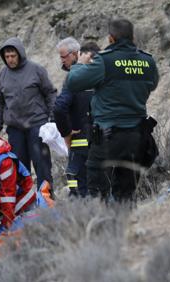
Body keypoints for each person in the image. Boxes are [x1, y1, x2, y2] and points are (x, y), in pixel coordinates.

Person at [67, 18, 159, 202]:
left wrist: (79, 64)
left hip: (108, 136)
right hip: (137, 137)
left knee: (97, 193)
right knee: (126, 194)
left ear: (111, 39)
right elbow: (152, 84)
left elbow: (73, 82)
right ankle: (126, 228)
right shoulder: (148, 61)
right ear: (132, 37)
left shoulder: (105, 61)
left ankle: (103, 229)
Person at [0, 37, 57, 190]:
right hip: (15, 128)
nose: (10, 59)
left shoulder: (36, 70)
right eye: (7, 57)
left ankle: (47, 201)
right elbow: (0, 102)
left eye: (13, 56)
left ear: (20, 54)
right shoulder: (2, 76)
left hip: (37, 125)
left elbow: (50, 93)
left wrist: (53, 117)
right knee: (19, 169)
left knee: (42, 165)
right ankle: (25, 205)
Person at [54, 38, 100, 197]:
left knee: (80, 189)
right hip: (104, 140)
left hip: (80, 141)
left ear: (75, 55)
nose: (61, 60)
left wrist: (66, 133)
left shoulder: (74, 78)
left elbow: (59, 108)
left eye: (63, 56)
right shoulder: (101, 74)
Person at [0, 139, 36, 231]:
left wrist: (6, 225)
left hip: (23, 197)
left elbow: (8, 196)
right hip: (8, 200)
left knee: (18, 227)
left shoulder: (4, 163)